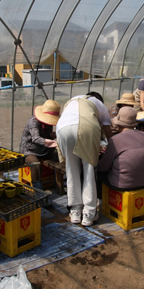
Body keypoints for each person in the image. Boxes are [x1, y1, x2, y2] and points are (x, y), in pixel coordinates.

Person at [56, 92, 114, 226]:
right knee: (89, 170)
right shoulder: (98, 103)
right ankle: (89, 213)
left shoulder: (72, 101)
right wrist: (113, 144)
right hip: (86, 128)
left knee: (71, 170)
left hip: (62, 129)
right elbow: (107, 128)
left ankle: (75, 211)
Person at [97, 108, 144, 190]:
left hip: (123, 185)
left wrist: (96, 165)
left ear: (118, 124)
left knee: (100, 173)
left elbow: (104, 166)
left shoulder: (115, 139)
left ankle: (100, 196)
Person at [19, 99, 60, 178]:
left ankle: (58, 183)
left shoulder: (49, 123)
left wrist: (52, 136)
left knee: (60, 160)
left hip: (44, 150)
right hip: (30, 151)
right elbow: (36, 138)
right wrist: (52, 143)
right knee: (35, 164)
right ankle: (37, 185)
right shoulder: (33, 121)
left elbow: (46, 135)